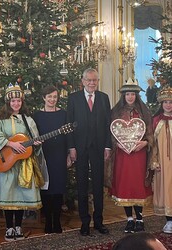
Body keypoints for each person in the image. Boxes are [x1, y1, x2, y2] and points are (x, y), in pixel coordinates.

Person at [0, 83, 46, 241]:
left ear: (22, 102)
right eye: (13, 101)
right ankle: (9, 228)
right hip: (6, 163)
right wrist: (11, 144)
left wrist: (36, 145)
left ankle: (18, 226)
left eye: (18, 101)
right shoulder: (0, 120)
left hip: (22, 164)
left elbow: (34, 138)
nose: (16, 104)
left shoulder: (28, 120)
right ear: (8, 102)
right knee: (8, 195)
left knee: (20, 196)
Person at [66, 68, 112, 236]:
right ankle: (85, 223)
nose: (92, 83)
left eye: (95, 80)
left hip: (99, 148)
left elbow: (108, 125)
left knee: (99, 185)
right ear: (83, 81)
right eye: (89, 80)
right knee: (82, 185)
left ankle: (99, 222)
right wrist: (71, 147)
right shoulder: (73, 98)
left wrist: (108, 146)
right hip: (79, 148)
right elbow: (69, 125)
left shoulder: (104, 98)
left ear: (97, 81)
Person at [109, 78, 154, 233]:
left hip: (139, 155)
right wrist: (117, 144)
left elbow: (150, 133)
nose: (130, 97)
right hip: (122, 156)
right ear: (123, 95)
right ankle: (129, 219)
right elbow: (111, 133)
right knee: (125, 185)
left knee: (138, 185)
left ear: (137, 95)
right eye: (127, 94)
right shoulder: (115, 112)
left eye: (133, 94)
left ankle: (140, 219)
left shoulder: (144, 112)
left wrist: (145, 143)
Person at [33, 85, 68, 234]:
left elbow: (69, 136)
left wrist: (68, 154)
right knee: (46, 189)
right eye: (49, 97)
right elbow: (33, 135)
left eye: (54, 97)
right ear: (44, 98)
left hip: (60, 155)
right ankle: (48, 221)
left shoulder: (64, 114)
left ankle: (57, 221)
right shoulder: (37, 116)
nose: (52, 99)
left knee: (58, 189)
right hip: (44, 156)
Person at [152, 85, 172, 234]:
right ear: (161, 104)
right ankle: (169, 220)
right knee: (166, 188)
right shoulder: (156, 121)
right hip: (163, 163)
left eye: (171, 102)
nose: (168, 105)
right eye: (165, 102)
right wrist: (154, 160)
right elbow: (152, 144)